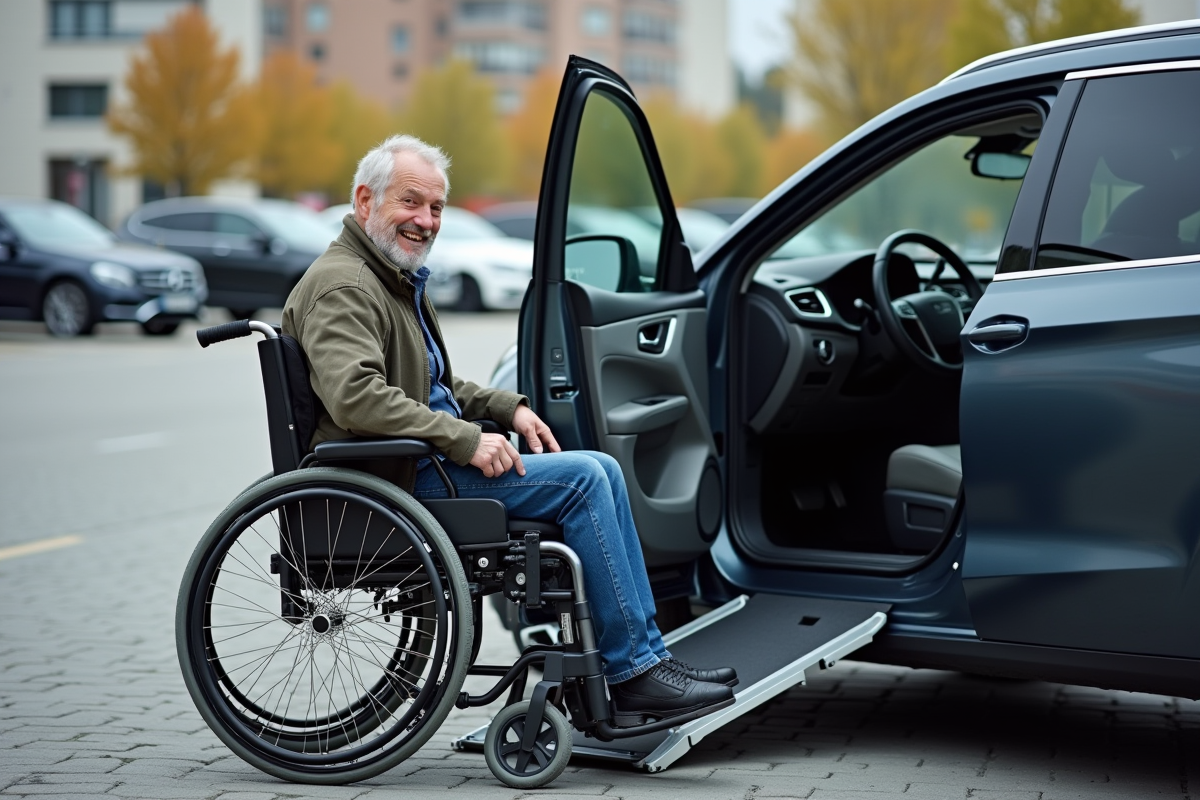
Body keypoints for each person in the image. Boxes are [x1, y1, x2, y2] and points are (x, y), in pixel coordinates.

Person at [282, 134, 736, 727]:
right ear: (365, 201)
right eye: (411, 203)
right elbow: (357, 399)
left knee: (597, 466)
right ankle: (635, 673)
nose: (426, 221)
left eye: (437, 208)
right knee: (585, 479)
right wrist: (466, 438)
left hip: (416, 464)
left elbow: (431, 384)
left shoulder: (384, 277)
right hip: (396, 479)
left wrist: (506, 408)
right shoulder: (346, 285)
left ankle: (643, 661)